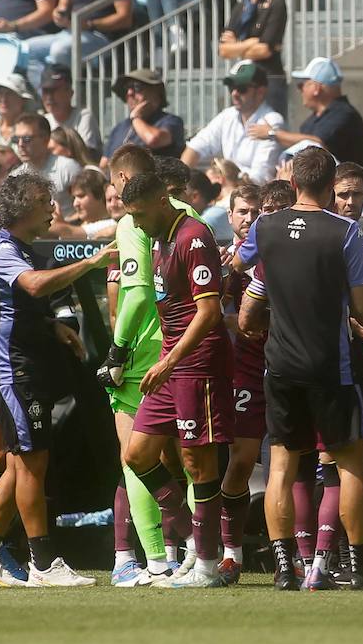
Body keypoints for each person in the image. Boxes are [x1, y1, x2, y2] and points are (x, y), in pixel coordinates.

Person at [236, 147, 363, 590]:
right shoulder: (346, 233)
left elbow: (241, 282)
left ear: (292, 182)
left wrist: (257, 321)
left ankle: (282, 569)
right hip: (332, 367)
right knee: (349, 466)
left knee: (281, 467)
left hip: (281, 366)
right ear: (332, 186)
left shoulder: (264, 226)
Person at [0, 171, 115, 587]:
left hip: (20, 370)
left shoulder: (19, 248)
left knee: (18, 468)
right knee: (33, 466)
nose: (53, 209)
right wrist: (91, 262)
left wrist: (52, 327)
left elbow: (13, 307)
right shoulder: (0, 248)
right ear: (23, 206)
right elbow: (33, 286)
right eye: (46, 201)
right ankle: (44, 563)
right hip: (13, 374)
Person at [117, 170, 234, 589]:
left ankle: (206, 566)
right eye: (130, 216)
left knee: (195, 462)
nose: (135, 223)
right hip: (170, 363)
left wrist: (168, 362)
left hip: (197, 363)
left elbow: (209, 312)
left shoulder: (193, 236)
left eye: (140, 214)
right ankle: (195, 539)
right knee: (138, 455)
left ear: (162, 202)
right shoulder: (157, 237)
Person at [95, 144, 200, 587]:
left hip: (145, 356)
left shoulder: (129, 220)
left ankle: (152, 559)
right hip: (188, 351)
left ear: (122, 181)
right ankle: (200, 550)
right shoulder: (188, 212)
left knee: (136, 458)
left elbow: (136, 293)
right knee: (193, 458)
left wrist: (116, 350)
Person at [212, 180, 261, 585]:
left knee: (295, 463)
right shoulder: (223, 261)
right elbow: (209, 315)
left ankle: (304, 556)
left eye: (255, 211)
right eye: (242, 211)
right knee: (239, 461)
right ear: (229, 216)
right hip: (242, 369)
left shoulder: (277, 251)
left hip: (285, 365)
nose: (249, 218)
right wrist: (243, 323)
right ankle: (231, 552)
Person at [182, 59, 285, 183]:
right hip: (229, 190)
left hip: (255, 196)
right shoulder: (228, 115)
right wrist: (180, 183)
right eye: (231, 87)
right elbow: (195, 147)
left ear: (260, 91)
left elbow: (260, 177)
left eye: (241, 88)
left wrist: (221, 181)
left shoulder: (272, 121)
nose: (234, 93)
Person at [262, 55, 363, 166]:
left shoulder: (345, 115)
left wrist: (272, 133)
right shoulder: (312, 121)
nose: (300, 90)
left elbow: (316, 144)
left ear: (316, 88)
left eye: (301, 85)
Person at [219, 0, 286, 81]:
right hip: (244, 78)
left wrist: (236, 45)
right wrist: (249, 43)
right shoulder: (239, 7)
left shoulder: (275, 5)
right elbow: (223, 50)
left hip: (269, 78)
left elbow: (264, 50)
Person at [103, 68, 186, 161]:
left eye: (137, 87)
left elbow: (153, 139)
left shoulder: (171, 121)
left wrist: (136, 118)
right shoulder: (119, 128)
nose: (129, 93)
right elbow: (104, 163)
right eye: (127, 88)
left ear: (156, 93)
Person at [11, 113, 82, 216]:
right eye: (16, 139)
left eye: (27, 139)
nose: (20, 144)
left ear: (45, 139)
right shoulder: (15, 176)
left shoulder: (68, 168)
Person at [39, 64, 103, 162]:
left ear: (70, 92)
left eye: (54, 90)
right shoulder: (44, 120)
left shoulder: (83, 116)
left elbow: (85, 155)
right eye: (45, 91)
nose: (49, 97)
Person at [0, 72, 37, 156]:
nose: (3, 99)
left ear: (22, 100)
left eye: (10, 93)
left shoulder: (33, 128)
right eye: (0, 93)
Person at [49, 169, 117, 239]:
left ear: (100, 195)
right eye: (74, 198)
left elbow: (68, 232)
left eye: (81, 196)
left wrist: (57, 224)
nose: (75, 204)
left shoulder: (112, 224)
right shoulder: (73, 222)